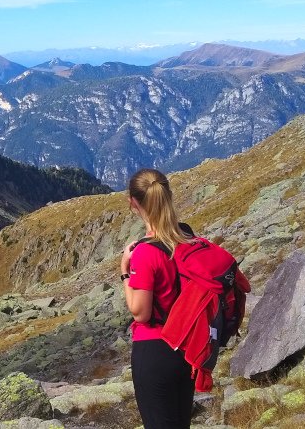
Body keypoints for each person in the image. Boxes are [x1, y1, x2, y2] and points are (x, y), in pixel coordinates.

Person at [120, 168, 195, 429]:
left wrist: (124, 273)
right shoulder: (187, 235)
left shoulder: (144, 253)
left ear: (133, 202)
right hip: (187, 348)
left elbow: (140, 311)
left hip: (154, 350)